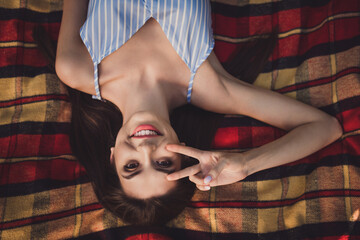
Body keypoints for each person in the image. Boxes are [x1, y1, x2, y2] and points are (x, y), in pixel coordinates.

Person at [54, 0, 343, 225]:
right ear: (183, 156)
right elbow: (325, 127)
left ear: (112, 156)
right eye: (164, 163)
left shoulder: (74, 67)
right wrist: (245, 164)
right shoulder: (209, 87)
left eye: (131, 166)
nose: (145, 148)